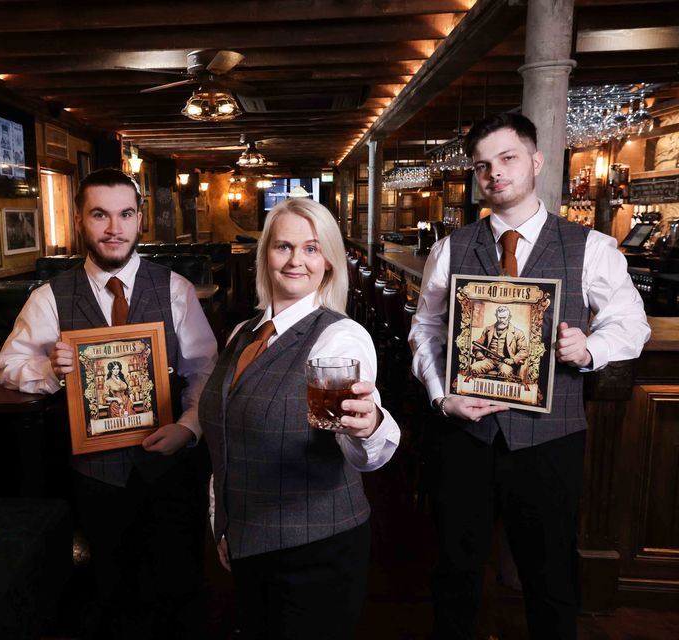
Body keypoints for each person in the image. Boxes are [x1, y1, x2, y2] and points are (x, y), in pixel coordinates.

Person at [408, 112, 651, 640]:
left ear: (536, 161)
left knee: (551, 576)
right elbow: (426, 327)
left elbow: (632, 322)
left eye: (507, 158)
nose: (495, 173)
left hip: (550, 440)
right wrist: (439, 396)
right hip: (463, 433)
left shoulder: (589, 246)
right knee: (455, 570)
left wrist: (590, 349)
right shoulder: (452, 247)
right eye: (483, 166)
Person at [0, 168, 218, 639]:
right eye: (100, 215)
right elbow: (8, 366)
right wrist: (50, 371)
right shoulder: (48, 298)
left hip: (172, 468)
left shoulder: (176, 289)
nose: (114, 228)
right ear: (80, 221)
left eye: (125, 214)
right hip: (96, 475)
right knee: (110, 594)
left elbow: (206, 372)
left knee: (180, 588)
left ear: (140, 220)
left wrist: (190, 426)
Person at [198, 198, 400, 640]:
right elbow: (225, 440)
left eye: (311, 248)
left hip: (315, 553)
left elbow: (360, 448)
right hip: (248, 545)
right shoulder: (242, 333)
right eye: (283, 247)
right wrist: (223, 522)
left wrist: (368, 426)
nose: (295, 261)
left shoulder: (340, 337)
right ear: (265, 254)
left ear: (327, 260)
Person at [470, 305, 528, 378]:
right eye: (499, 317)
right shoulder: (488, 329)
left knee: (505, 373)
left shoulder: (518, 333)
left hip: (505, 363)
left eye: (504, 318)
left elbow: (524, 351)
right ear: (496, 316)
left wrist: (513, 360)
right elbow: (477, 344)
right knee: (473, 368)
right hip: (488, 360)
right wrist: (478, 353)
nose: (501, 320)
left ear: (509, 317)